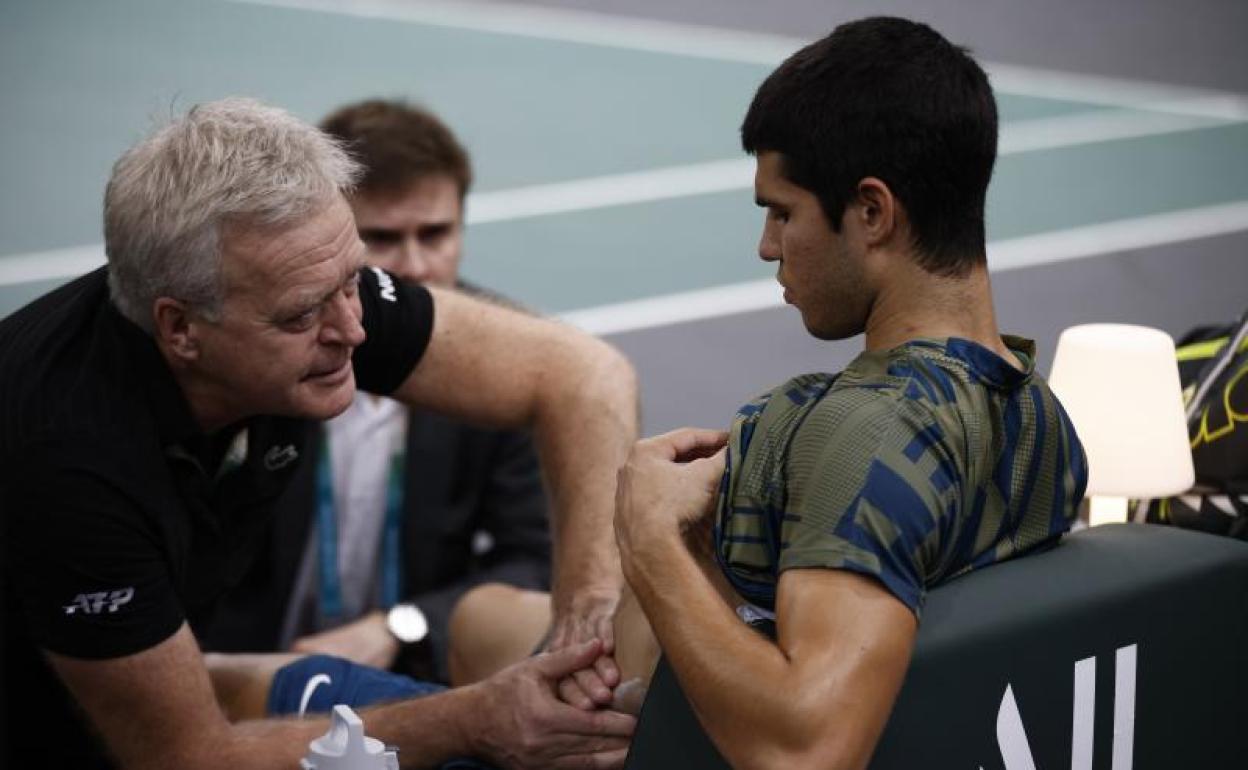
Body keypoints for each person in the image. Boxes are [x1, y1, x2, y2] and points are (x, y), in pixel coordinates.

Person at [452, 16, 1089, 769]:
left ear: (873, 213)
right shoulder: (1043, 415)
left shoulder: (863, 434)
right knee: (478, 617)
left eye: (781, 212)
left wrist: (649, 537)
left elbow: (808, 748)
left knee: (383, 669)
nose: (767, 246)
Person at [0, 97, 636, 769]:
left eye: (353, 283)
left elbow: (584, 374)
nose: (354, 332)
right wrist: (479, 717)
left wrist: (589, 605)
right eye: (303, 315)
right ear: (180, 327)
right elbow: (189, 759)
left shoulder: (293, 291)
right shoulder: (70, 457)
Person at [200, 99, 553, 686]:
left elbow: (536, 559)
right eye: (383, 239)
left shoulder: (517, 358)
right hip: (241, 671)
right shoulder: (257, 344)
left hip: (412, 677)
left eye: (436, 234)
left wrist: (398, 627)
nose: (416, 267)